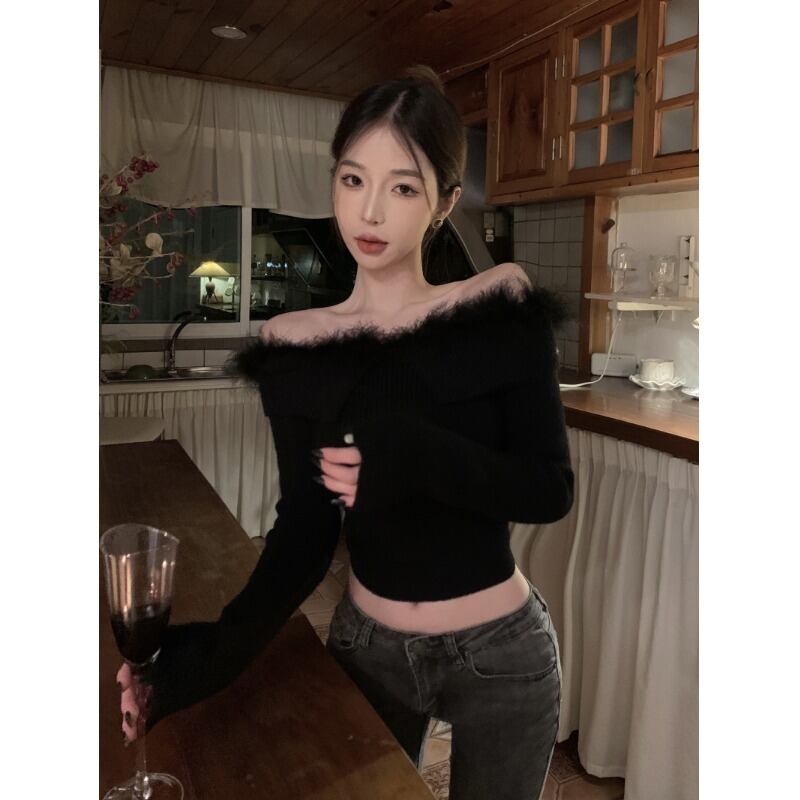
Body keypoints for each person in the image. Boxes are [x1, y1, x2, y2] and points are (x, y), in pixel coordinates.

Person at [116, 64, 574, 800]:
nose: (371, 211)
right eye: (354, 179)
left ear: (443, 202)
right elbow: (304, 533)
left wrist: (409, 453)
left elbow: (547, 489)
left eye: (404, 188)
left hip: (504, 654)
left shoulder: (494, 309)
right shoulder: (298, 344)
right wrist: (195, 665)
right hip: (371, 650)